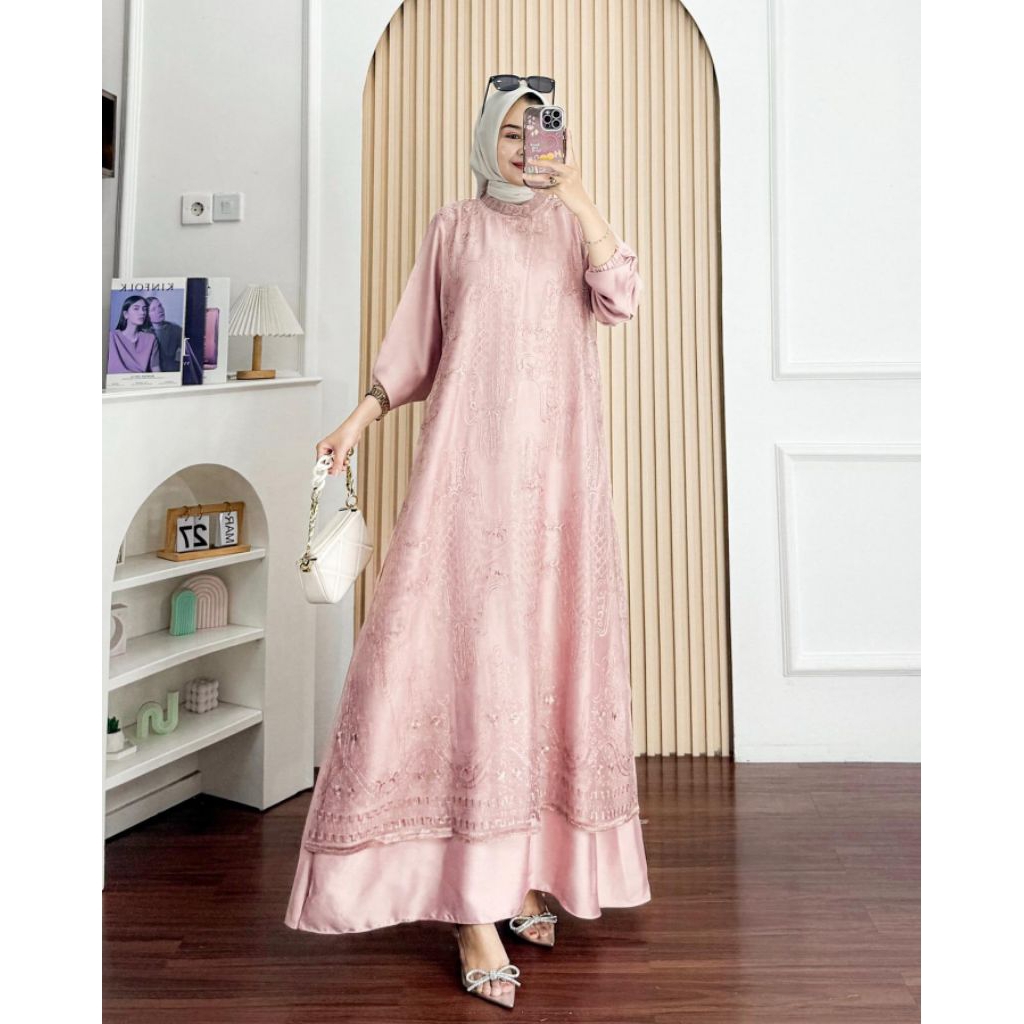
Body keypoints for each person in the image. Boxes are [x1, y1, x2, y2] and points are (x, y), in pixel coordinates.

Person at [284, 81, 650, 1009]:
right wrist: (358, 420)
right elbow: (416, 349)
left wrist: (579, 198)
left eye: (541, 130)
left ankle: (522, 876)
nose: (526, 146)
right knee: (474, 674)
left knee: (537, 673)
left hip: (558, 490)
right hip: (469, 481)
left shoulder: (571, 229)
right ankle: (472, 911)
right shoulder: (454, 228)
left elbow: (622, 298)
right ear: (488, 135)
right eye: (512, 131)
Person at [107, 295, 160, 374]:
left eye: (144, 309)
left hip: (141, 380)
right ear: (126, 314)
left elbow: (155, 367)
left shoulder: (151, 339)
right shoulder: (112, 337)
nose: (142, 312)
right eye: (136, 308)